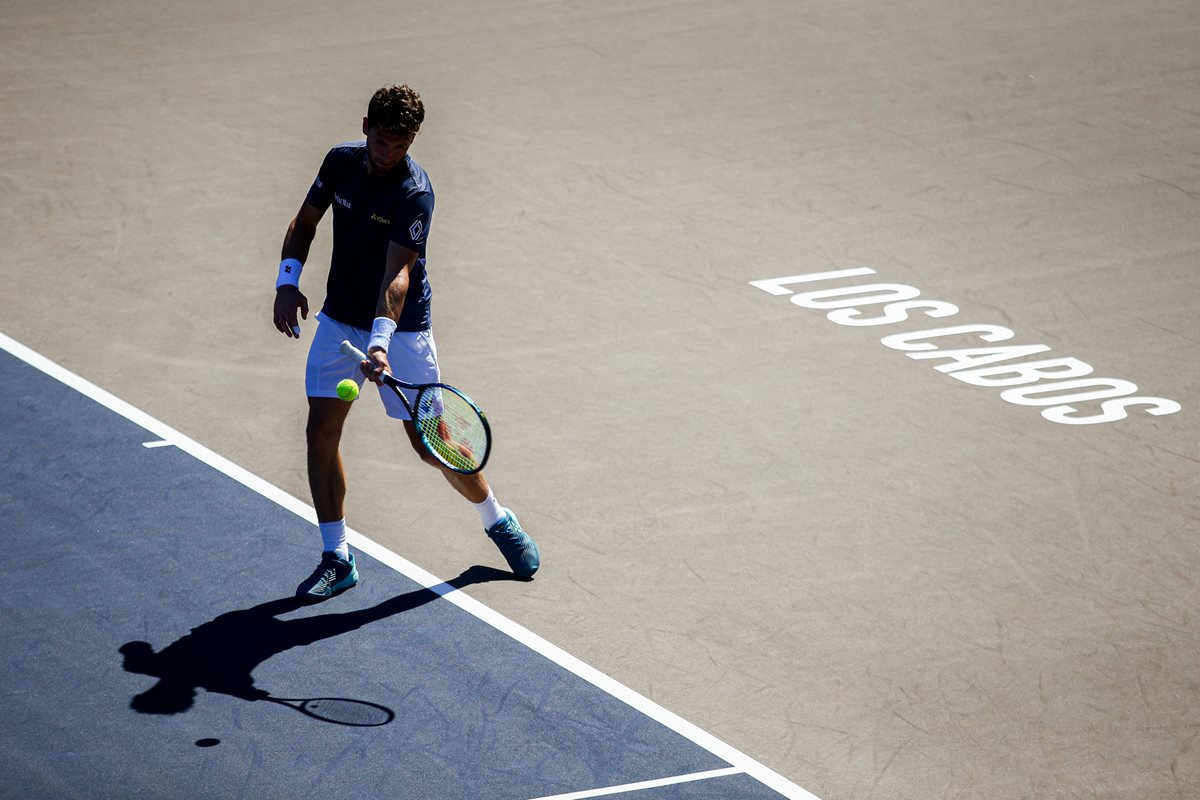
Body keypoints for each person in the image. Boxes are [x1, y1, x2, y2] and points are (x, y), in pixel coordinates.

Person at [271, 84, 539, 602]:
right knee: (320, 433)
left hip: (403, 330)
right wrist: (287, 281)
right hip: (338, 320)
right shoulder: (340, 162)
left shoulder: (415, 193)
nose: (389, 153)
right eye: (382, 140)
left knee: (430, 445)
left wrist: (380, 344)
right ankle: (337, 557)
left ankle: (496, 518)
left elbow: (398, 276)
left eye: (401, 144)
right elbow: (304, 223)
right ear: (365, 126)